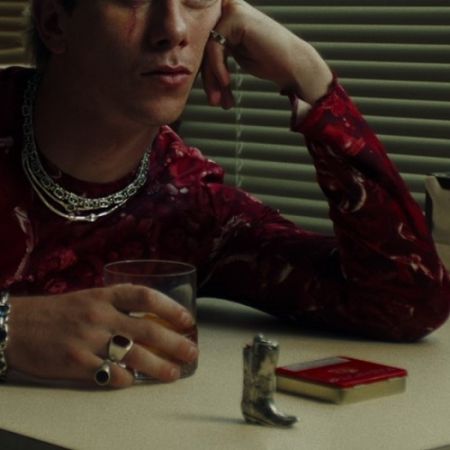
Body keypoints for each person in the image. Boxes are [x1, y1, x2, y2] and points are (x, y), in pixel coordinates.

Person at [0, 0, 448, 389]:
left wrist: (310, 77)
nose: (174, 29)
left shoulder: (190, 208)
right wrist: (10, 328)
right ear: (55, 22)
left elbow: (405, 302)